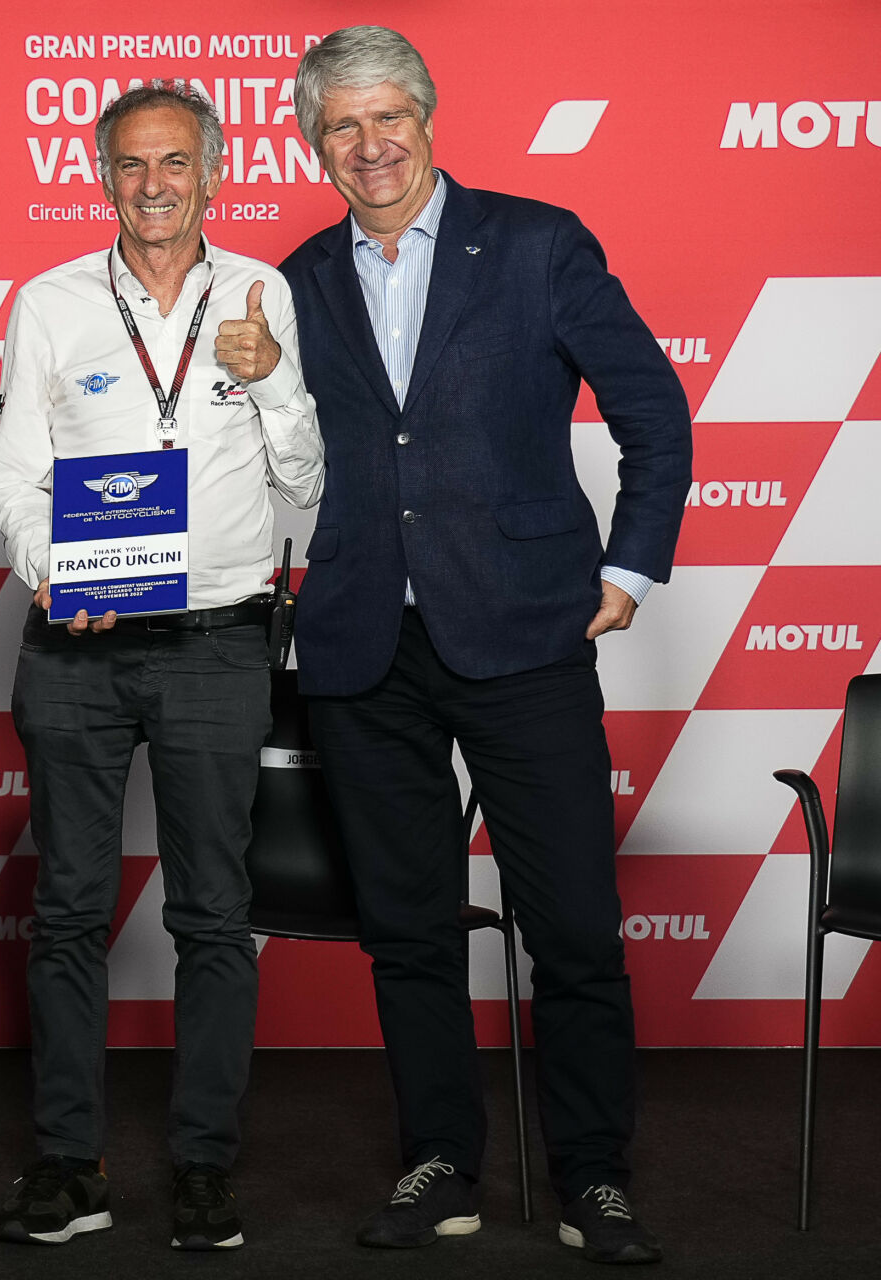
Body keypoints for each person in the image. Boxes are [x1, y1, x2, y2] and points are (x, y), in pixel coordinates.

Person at [280, 25, 692, 1266]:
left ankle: (593, 1176)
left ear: (429, 114)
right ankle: (440, 1161)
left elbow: (653, 412)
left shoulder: (536, 241)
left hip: (524, 635)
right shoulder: (290, 278)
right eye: (343, 125)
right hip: (364, 647)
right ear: (316, 143)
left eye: (389, 114)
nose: (372, 143)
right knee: (408, 933)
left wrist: (626, 566)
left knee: (571, 925)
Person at [0, 82, 322, 1251]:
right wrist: (48, 569)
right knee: (71, 909)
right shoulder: (51, 304)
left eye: (176, 162)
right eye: (132, 164)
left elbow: (312, 487)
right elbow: (11, 478)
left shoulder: (266, 292)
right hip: (77, 648)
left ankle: (203, 1166)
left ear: (214, 173)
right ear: (102, 175)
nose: (154, 184)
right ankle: (67, 1161)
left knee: (215, 915)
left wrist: (274, 375)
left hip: (219, 643)